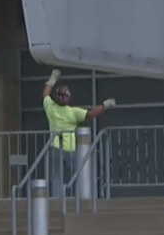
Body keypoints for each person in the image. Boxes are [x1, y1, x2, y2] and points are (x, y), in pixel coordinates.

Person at [42, 69, 115, 198]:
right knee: (79, 174)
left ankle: (57, 201)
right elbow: (91, 114)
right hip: (70, 149)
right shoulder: (72, 112)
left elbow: (45, 94)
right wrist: (105, 105)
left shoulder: (50, 107)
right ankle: (82, 199)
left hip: (54, 147)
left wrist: (52, 80)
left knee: (56, 178)